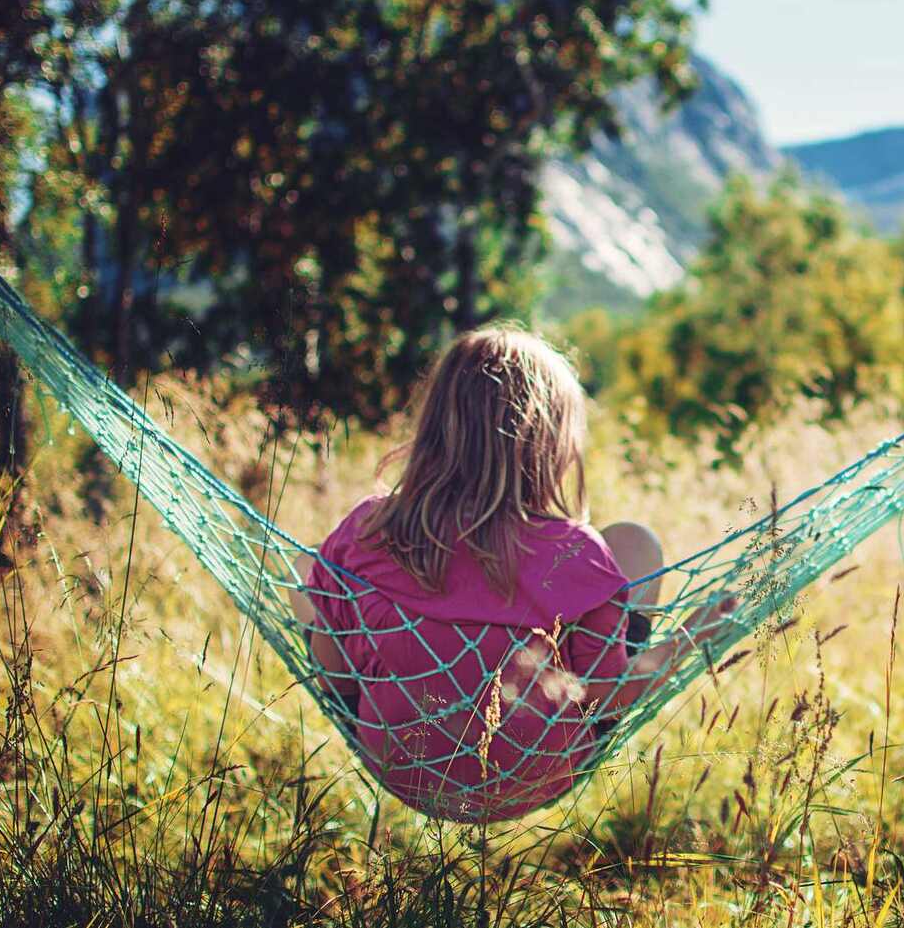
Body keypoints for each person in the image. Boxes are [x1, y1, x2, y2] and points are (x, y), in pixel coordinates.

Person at [287, 327, 728, 821]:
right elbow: (606, 698)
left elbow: (336, 675)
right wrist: (696, 634)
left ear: (434, 427)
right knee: (636, 542)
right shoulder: (577, 554)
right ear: (551, 442)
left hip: (400, 759)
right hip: (534, 771)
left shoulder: (370, 528)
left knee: (309, 565)